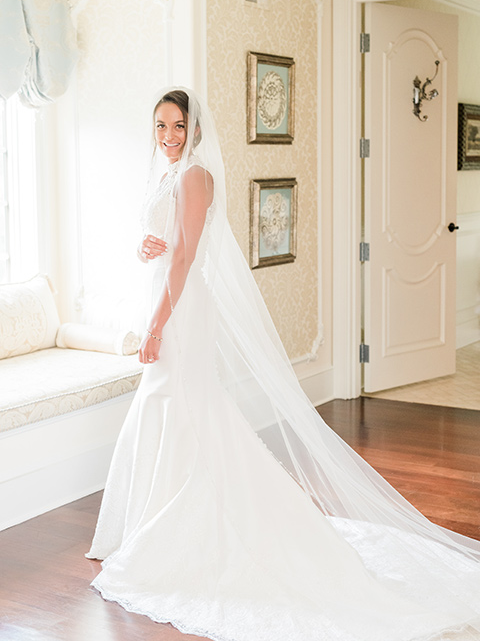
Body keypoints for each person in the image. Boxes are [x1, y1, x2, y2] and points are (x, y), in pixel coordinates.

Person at [87, 88, 480, 641]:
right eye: (160, 126)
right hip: (165, 296)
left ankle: (184, 528)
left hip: (180, 309)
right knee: (175, 406)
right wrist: (143, 250)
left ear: (195, 130)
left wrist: (155, 327)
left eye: (178, 126)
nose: (168, 136)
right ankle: (150, 523)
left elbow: (187, 255)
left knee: (178, 403)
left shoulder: (195, 176)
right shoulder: (167, 175)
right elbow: (166, 244)